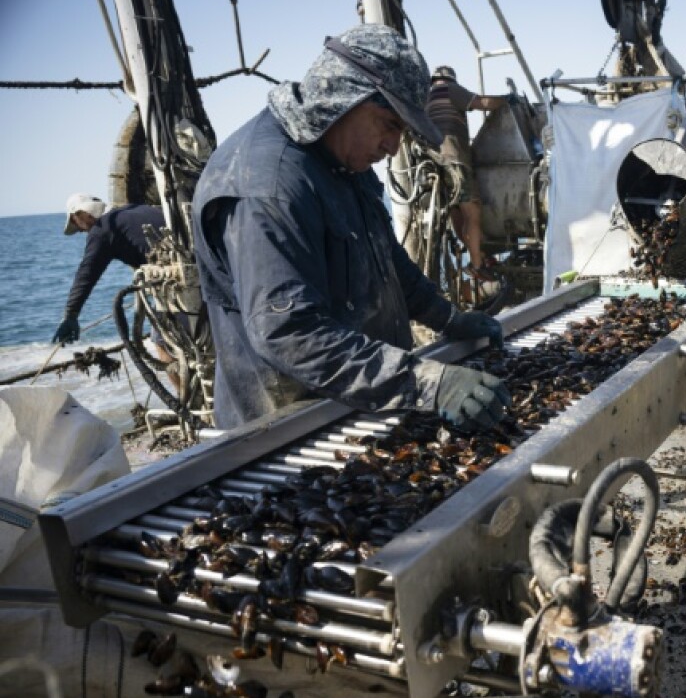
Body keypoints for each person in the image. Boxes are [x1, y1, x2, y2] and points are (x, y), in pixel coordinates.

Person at [191, 24, 510, 432]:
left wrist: (447, 317)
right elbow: (289, 334)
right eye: (389, 124)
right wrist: (428, 383)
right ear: (345, 99)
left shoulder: (341, 155)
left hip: (365, 399)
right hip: (286, 426)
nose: (394, 146)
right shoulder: (267, 189)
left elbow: (386, 261)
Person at [425, 65, 513, 299]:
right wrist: (507, 100)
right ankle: (477, 265)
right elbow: (481, 103)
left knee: (457, 213)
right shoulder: (449, 90)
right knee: (473, 212)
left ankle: (477, 255)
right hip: (455, 162)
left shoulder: (426, 98)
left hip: (434, 165)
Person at [54, 194, 164, 345]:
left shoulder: (102, 229)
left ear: (82, 214)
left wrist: (71, 314)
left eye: (75, 222)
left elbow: (87, 273)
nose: (79, 230)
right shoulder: (136, 209)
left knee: (160, 341)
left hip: (180, 282)